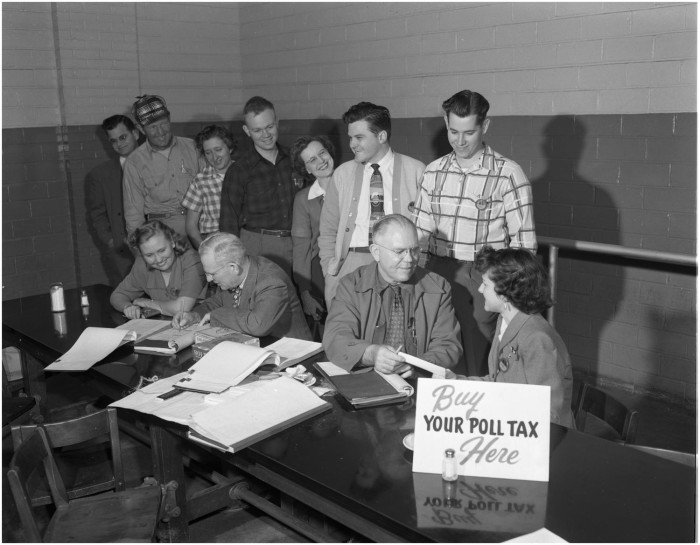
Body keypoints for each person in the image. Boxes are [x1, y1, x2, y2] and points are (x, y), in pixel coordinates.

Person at [413, 90, 537, 377]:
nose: (459, 141)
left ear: (486, 126)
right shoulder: (433, 172)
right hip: (436, 269)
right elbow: (419, 231)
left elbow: (524, 245)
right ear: (445, 123)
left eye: (469, 132)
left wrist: (509, 292)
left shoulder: (509, 174)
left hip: (482, 276)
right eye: (453, 131)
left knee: (478, 358)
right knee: (436, 352)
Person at [445, 246, 574, 427]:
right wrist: (457, 382)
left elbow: (548, 413)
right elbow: (498, 382)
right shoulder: (505, 322)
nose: (480, 289)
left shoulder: (537, 339)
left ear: (505, 293)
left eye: (486, 284)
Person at [318, 102, 426, 311]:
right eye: (350, 137)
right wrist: (330, 270)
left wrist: (414, 266)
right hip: (351, 263)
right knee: (348, 333)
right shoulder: (342, 173)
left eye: (359, 137)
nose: (352, 144)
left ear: (382, 136)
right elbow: (328, 229)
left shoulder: (416, 171)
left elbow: (425, 228)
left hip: (398, 264)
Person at [323, 214, 461, 374]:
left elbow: (448, 345)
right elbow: (336, 337)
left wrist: (418, 366)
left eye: (414, 250)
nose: (409, 259)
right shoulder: (351, 285)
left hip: (417, 380)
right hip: (364, 379)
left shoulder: (438, 287)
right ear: (376, 252)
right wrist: (371, 354)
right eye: (399, 251)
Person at [172, 232, 312, 340]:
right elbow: (217, 302)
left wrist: (214, 316)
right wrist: (194, 315)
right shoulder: (237, 271)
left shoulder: (272, 281)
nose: (209, 280)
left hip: (288, 356)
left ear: (233, 267)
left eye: (212, 274)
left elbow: (257, 325)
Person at [219, 96, 302, 278]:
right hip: (258, 245)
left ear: (277, 122)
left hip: (297, 242)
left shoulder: (295, 160)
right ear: (247, 131)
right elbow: (228, 223)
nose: (265, 135)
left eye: (269, 127)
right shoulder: (239, 170)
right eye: (257, 130)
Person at [123, 94, 202, 238]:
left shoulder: (194, 148)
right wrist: (139, 249)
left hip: (199, 224)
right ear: (140, 128)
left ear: (170, 119)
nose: (160, 132)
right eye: (152, 127)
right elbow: (133, 214)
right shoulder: (134, 162)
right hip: (162, 233)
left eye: (163, 124)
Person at [110, 220, 206, 319]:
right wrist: (127, 306)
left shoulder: (192, 260)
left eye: (162, 250)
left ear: (172, 242)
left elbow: (181, 309)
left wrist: (148, 303)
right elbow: (118, 295)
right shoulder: (141, 264)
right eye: (149, 255)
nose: (158, 259)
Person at [85, 115, 139, 285]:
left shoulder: (157, 164)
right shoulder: (100, 175)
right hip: (123, 252)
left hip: (159, 247)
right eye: (113, 141)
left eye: (123, 137)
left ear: (136, 134)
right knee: (128, 303)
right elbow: (97, 214)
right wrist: (110, 240)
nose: (119, 144)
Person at [290, 135, 336, 322]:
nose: (321, 161)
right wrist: (305, 292)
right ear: (306, 169)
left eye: (322, 153)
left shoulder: (354, 183)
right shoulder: (303, 199)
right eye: (312, 160)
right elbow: (301, 248)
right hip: (320, 272)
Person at [182, 125, 236, 249]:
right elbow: (191, 226)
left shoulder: (244, 174)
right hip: (213, 240)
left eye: (218, 149)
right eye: (208, 152)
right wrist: (204, 250)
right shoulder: (200, 181)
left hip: (241, 239)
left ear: (230, 148)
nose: (214, 157)